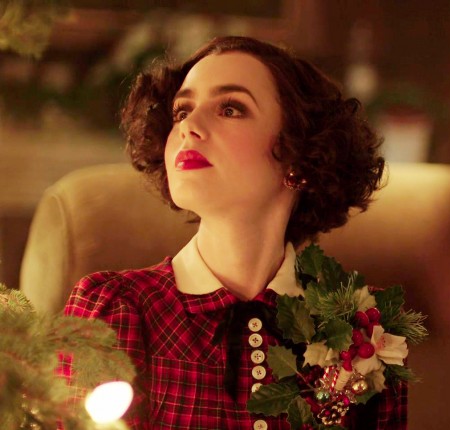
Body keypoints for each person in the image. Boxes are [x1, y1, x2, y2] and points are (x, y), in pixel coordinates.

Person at [63, 36, 405, 429]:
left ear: (300, 155)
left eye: (230, 109)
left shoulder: (364, 329)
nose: (189, 126)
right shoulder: (115, 309)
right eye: (181, 111)